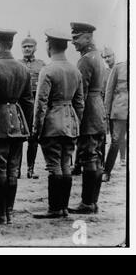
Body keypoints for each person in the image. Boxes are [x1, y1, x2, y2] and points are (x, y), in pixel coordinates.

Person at [0, 27, 33, 225]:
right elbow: (28, 101)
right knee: (12, 170)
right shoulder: (23, 69)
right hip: (18, 123)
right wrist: (27, 127)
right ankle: (9, 212)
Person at [32, 29, 84, 218]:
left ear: (49, 46)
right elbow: (80, 103)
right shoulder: (75, 70)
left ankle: (55, 209)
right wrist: (76, 123)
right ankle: (63, 208)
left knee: (54, 165)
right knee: (65, 164)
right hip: (70, 123)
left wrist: (36, 129)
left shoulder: (48, 70)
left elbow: (40, 104)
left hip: (52, 124)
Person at [68, 22, 106, 214]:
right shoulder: (98, 57)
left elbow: (80, 94)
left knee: (88, 156)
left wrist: (77, 120)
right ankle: (93, 202)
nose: (73, 42)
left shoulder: (84, 61)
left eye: (76, 37)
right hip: (98, 110)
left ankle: (87, 203)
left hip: (89, 112)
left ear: (88, 37)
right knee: (97, 157)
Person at [18, 33, 45, 179]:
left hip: (36, 103)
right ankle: (17, 170)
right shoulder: (17, 64)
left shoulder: (41, 65)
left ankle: (30, 169)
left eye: (30, 46)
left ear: (35, 47)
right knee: (18, 137)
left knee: (33, 138)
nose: (27, 49)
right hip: (21, 104)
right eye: (24, 47)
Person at [102, 56, 128, 182]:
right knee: (116, 141)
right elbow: (109, 91)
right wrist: (106, 113)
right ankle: (106, 172)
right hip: (120, 111)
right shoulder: (119, 67)